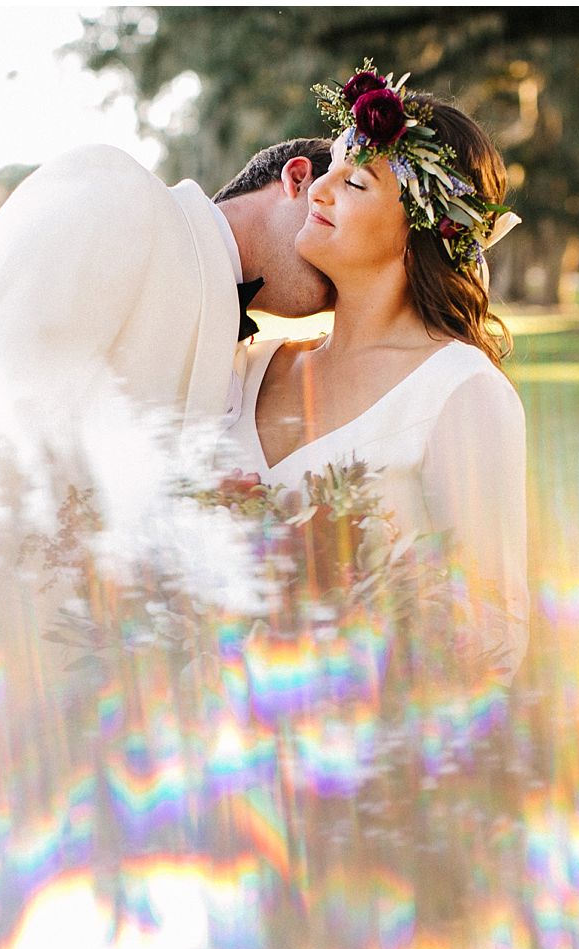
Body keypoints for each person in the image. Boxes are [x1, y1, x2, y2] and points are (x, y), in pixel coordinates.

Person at [0, 138, 338, 751]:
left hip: (96, 716)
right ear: (297, 180)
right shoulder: (113, 191)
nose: (339, 276)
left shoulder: (246, 361)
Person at [215, 67, 530, 678]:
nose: (320, 190)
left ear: (422, 232)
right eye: (329, 166)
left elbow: (497, 630)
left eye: (354, 181)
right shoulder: (249, 365)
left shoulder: (459, 391)